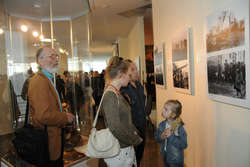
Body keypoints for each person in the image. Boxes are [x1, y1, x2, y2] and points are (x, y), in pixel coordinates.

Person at [28, 47, 75, 167]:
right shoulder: (39, 81)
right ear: (40, 60)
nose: (56, 59)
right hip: (47, 141)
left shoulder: (47, 79)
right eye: (51, 56)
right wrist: (65, 117)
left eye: (56, 56)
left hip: (53, 139)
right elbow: (43, 115)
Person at [102, 56, 142, 167]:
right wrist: (134, 139)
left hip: (124, 147)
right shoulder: (110, 95)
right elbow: (115, 127)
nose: (130, 78)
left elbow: (124, 120)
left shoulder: (116, 93)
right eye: (129, 75)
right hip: (119, 150)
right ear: (121, 74)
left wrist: (133, 130)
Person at [120, 59, 146, 167]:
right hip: (132, 128)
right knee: (131, 158)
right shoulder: (124, 89)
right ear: (126, 72)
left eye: (136, 69)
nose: (136, 72)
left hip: (142, 125)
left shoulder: (139, 86)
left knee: (139, 155)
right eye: (133, 69)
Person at [154, 100, 187, 167]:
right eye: (163, 108)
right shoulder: (162, 125)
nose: (163, 110)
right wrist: (161, 137)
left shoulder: (179, 128)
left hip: (176, 160)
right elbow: (156, 138)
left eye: (166, 109)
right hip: (165, 156)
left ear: (173, 115)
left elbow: (183, 144)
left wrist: (171, 136)